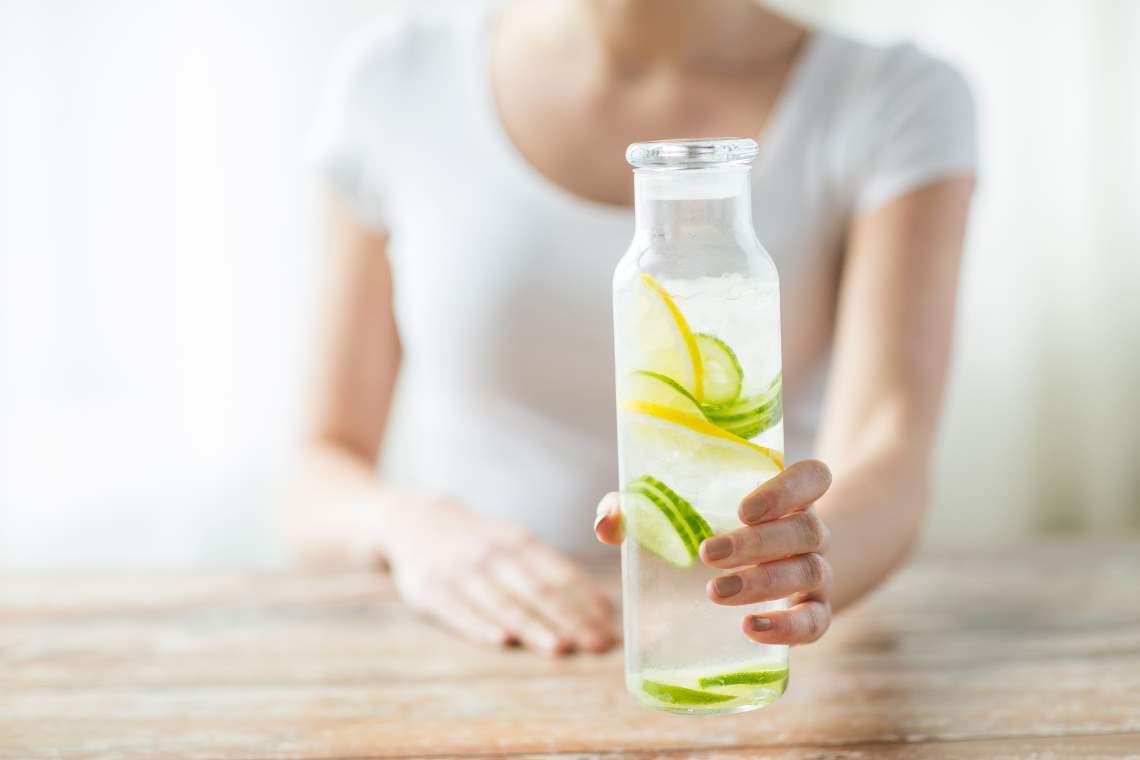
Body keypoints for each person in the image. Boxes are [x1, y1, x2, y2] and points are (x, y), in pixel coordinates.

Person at [292, 0, 976, 656]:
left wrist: (808, 561)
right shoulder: (398, 76)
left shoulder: (893, 94)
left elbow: (887, 456)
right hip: (470, 648)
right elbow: (319, 467)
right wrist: (409, 527)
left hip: (740, 640)